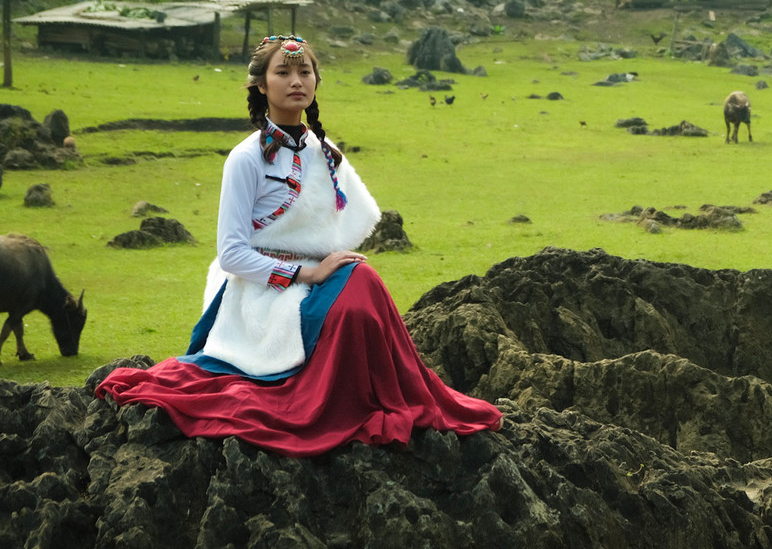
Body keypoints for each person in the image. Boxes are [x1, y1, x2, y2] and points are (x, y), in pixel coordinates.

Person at [96, 34, 502, 456]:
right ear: (260, 84)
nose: (296, 81)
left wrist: (324, 261)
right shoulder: (245, 158)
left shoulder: (326, 154)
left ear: (316, 81)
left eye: (304, 72)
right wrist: (306, 272)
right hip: (261, 290)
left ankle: (384, 398)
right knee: (356, 295)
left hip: (319, 278)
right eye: (283, 72)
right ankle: (343, 405)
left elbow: (348, 220)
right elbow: (232, 254)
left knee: (362, 281)